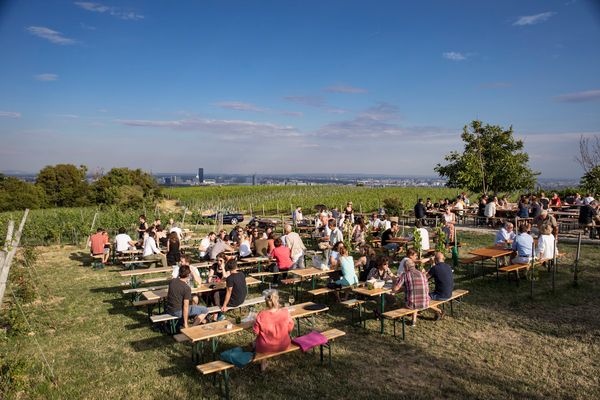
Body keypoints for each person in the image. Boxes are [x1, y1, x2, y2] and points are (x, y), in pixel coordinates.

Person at [253, 289, 294, 371]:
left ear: (266, 301)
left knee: (258, 341)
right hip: (284, 344)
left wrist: (255, 320)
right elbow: (290, 327)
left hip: (265, 347)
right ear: (277, 299)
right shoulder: (285, 312)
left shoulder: (261, 314)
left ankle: (263, 363)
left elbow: (256, 332)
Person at [392, 252, 430, 326]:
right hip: (425, 302)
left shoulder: (405, 275)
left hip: (412, 304)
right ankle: (414, 321)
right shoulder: (422, 274)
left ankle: (399, 316)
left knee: (410, 301)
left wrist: (394, 282)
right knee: (414, 296)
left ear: (406, 268)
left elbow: (395, 289)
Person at [426, 252, 453, 319]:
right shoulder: (448, 266)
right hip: (449, 293)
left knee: (423, 299)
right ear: (443, 258)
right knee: (434, 294)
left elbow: (424, 278)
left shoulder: (435, 268)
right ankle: (437, 314)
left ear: (435, 259)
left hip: (440, 295)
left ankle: (440, 311)